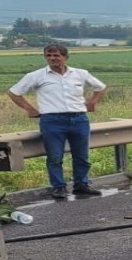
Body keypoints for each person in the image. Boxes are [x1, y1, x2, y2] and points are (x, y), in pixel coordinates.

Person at [7, 43, 107, 200]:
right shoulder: (36, 76)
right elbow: (14, 92)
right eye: (49, 55)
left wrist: (92, 103)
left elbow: (100, 87)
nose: (52, 58)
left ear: (65, 57)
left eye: (56, 55)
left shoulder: (80, 74)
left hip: (79, 118)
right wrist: (30, 109)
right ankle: (59, 187)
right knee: (55, 156)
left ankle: (81, 185)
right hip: (52, 120)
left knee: (82, 155)